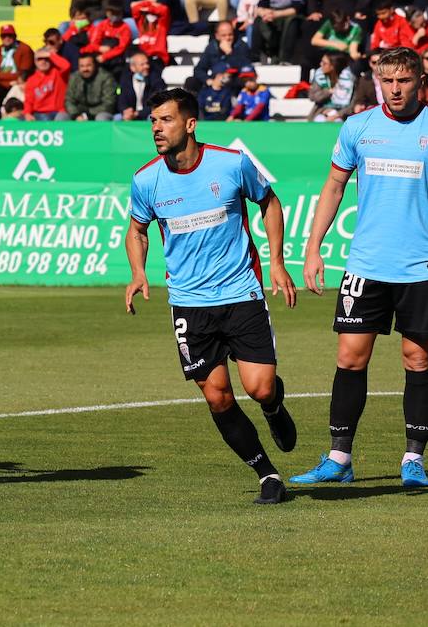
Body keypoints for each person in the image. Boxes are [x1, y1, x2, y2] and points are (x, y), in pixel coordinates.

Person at [125, 87, 298, 504]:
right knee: (218, 396)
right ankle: (267, 474)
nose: (157, 129)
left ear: (190, 124)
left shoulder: (232, 163)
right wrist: (137, 272)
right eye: (153, 121)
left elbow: (269, 203)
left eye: (166, 120)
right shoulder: (146, 179)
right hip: (189, 303)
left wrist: (276, 261)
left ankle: (274, 405)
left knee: (259, 388)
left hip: (241, 292)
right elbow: (137, 230)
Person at [291, 47, 428, 489]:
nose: (395, 89)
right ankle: (339, 457)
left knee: (418, 358)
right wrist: (313, 247)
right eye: (388, 81)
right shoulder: (359, 126)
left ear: (419, 81)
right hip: (366, 263)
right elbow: (334, 186)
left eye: (404, 81)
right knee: (350, 358)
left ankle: (413, 459)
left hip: (420, 267)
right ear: (378, 81)